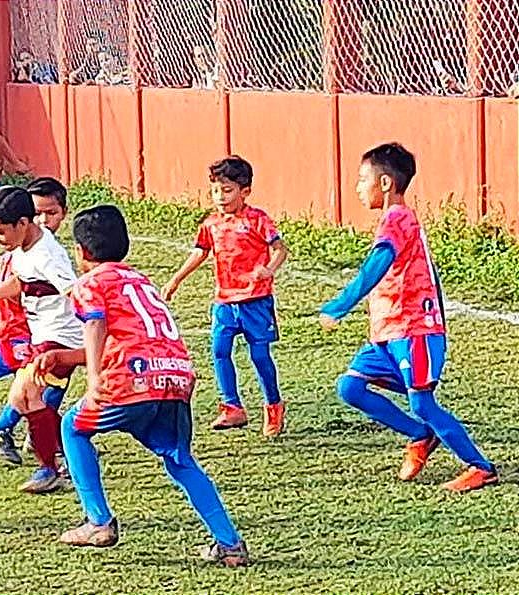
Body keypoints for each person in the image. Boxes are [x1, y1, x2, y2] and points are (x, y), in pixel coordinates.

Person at [32, 205, 248, 566]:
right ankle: (229, 543)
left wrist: (94, 378)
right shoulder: (141, 282)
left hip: (131, 378)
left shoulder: (91, 283)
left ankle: (98, 522)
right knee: (180, 460)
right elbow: (130, 339)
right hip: (175, 376)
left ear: (82, 252)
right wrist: (64, 358)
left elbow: (96, 325)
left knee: (72, 427)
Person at [319, 142, 498, 493]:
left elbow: (378, 264)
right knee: (350, 387)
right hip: (388, 334)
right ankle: (420, 435)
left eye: (362, 179)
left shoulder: (399, 217)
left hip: (415, 328)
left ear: (385, 183)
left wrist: (341, 304)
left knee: (422, 402)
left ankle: (481, 467)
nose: (357, 187)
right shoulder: (392, 220)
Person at [0, 186, 83, 494]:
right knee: (28, 400)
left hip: (61, 338)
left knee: (25, 396)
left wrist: (102, 332)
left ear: (23, 223)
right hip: (44, 336)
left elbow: (75, 292)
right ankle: (55, 464)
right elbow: (21, 281)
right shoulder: (24, 249)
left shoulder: (48, 256)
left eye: (0, 232)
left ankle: (54, 466)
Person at [162, 156, 288, 435]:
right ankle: (232, 407)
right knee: (219, 351)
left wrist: (268, 269)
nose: (220, 197)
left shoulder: (257, 220)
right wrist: (176, 280)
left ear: (245, 191)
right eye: (215, 190)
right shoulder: (211, 224)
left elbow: (280, 248)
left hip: (255, 301)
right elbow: (200, 251)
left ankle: (273, 405)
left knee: (259, 355)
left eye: (227, 190)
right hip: (224, 301)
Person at [0, 177, 70, 466]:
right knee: (33, 389)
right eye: (39, 212)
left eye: (50, 213)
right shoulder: (19, 251)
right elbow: (20, 290)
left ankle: (42, 445)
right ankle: (8, 433)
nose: (44, 219)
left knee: (49, 385)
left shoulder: (41, 248)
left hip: (50, 331)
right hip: (13, 332)